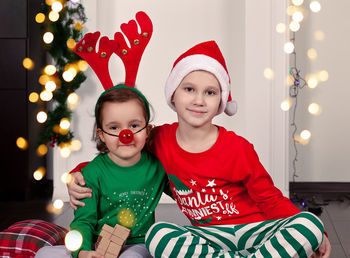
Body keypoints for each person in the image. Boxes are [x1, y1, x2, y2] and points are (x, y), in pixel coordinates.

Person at [67, 41, 331, 257]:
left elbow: (270, 199)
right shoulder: (158, 139)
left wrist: (317, 234)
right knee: (157, 236)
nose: (198, 100)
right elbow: (121, 150)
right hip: (209, 237)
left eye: (210, 92)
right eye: (189, 89)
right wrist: (79, 174)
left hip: (254, 230)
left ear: (220, 102)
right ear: (173, 94)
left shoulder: (237, 148)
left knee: (312, 224)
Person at [36, 85, 172, 258]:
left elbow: (185, 193)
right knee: (43, 254)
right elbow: (84, 220)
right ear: (102, 135)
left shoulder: (157, 167)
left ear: (147, 130)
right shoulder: (92, 173)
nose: (125, 134)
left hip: (138, 244)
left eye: (134, 125)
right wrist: (84, 252)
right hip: (96, 242)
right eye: (114, 127)